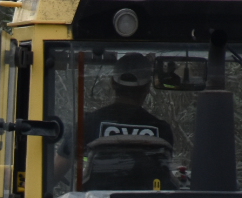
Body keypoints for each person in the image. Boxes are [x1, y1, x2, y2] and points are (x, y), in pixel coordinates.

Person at [54, 52, 176, 185]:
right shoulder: (161, 130)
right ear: (147, 87)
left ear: (112, 83)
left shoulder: (87, 124)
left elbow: (54, 174)